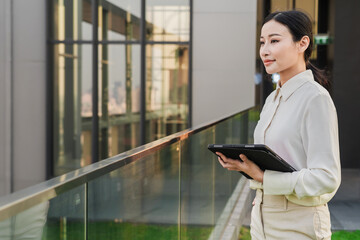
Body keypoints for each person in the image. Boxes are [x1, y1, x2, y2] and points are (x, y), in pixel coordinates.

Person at [216, 10, 341, 240]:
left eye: (274, 41)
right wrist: (246, 166)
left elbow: (327, 178)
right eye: (262, 42)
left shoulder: (316, 99)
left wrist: (264, 177)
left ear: (302, 43)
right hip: (263, 219)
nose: (265, 50)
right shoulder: (273, 100)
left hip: (298, 225)